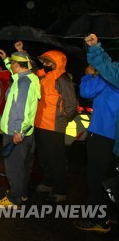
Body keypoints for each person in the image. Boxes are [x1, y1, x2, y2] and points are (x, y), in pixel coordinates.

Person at [73, 65, 119, 233]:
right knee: (112, 178)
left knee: (96, 178)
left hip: (102, 134)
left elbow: (86, 91)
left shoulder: (110, 74)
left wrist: (88, 75)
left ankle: (97, 219)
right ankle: (111, 214)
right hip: (115, 136)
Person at [0, 50, 41, 208]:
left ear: (17, 65)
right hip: (27, 131)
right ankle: (22, 194)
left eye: (12, 63)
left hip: (16, 131)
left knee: (14, 167)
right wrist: (7, 59)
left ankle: (14, 199)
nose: (10, 65)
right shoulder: (30, 78)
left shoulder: (22, 82)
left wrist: (18, 130)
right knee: (23, 165)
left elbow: (21, 107)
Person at [31, 47, 78, 203]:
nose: (44, 64)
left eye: (47, 62)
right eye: (44, 61)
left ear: (56, 63)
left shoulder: (62, 79)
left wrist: (62, 118)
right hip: (40, 123)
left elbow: (71, 104)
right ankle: (49, 182)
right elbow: (30, 69)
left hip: (53, 125)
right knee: (44, 157)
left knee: (56, 159)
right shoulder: (45, 77)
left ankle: (60, 191)